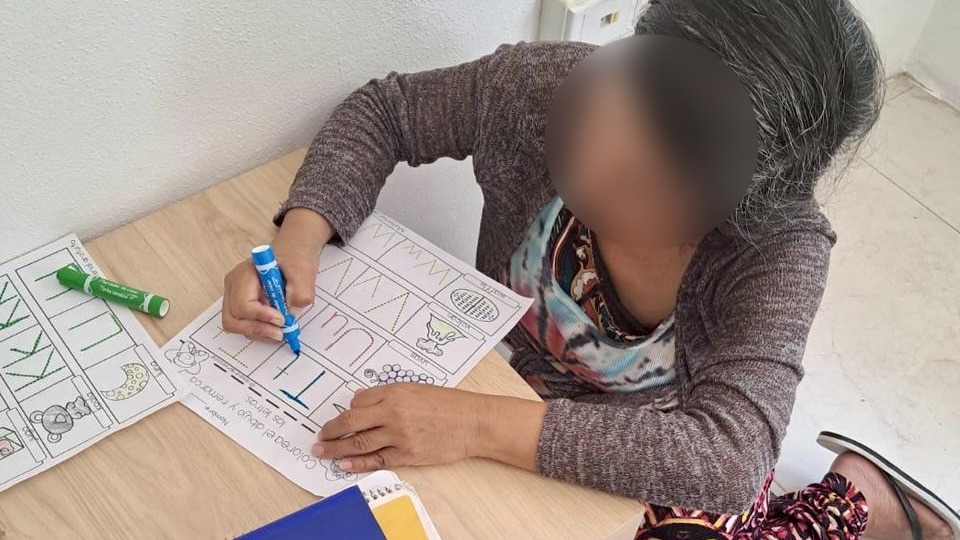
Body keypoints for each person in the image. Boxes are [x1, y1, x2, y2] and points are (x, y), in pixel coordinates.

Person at [221, 0, 958, 537]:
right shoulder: (542, 87)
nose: (588, 171)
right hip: (511, 393)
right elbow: (387, 112)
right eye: (598, 119)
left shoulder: (778, 247)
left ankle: (854, 500)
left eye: (639, 185)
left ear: (733, 204)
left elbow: (728, 458)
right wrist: (302, 234)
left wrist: (472, 424)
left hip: (655, 448)